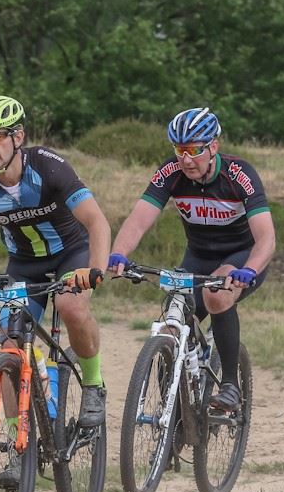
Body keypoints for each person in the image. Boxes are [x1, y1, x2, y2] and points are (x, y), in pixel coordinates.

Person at [0, 95, 111, 438]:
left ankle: (93, 384)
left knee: (71, 306)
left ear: (18, 136)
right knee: (10, 343)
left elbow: (96, 222)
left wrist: (95, 269)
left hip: (71, 252)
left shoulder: (49, 168)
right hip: (24, 264)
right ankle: (16, 441)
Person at [108, 108, 275, 413]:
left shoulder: (239, 175)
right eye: (179, 150)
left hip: (241, 257)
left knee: (216, 295)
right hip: (197, 257)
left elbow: (266, 238)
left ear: (213, 147)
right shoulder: (171, 172)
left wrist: (249, 269)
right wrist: (120, 254)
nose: (186, 159)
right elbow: (138, 220)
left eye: (194, 150)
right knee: (171, 328)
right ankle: (175, 418)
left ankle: (230, 385)